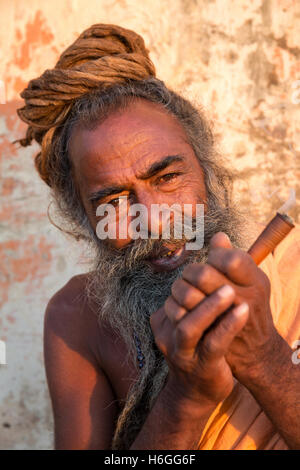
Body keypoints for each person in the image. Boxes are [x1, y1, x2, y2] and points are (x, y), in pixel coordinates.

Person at [15, 24, 300, 450]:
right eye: (113, 200)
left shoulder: (292, 265)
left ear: (206, 170)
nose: (152, 219)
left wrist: (264, 357)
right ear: (85, 219)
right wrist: (185, 397)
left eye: (167, 177)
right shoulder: (78, 317)